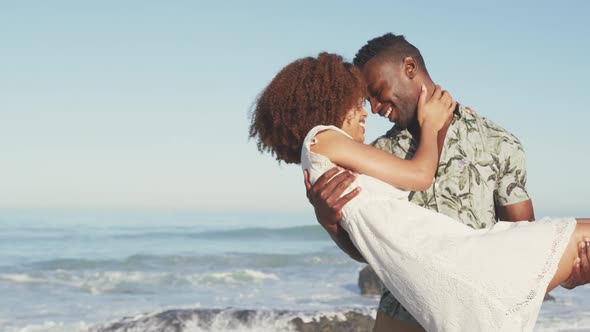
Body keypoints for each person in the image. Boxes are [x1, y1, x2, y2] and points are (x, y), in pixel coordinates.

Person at [249, 52, 589, 331]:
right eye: (361, 98)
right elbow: (374, 246)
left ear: (408, 68)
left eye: (375, 92)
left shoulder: (498, 143)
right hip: (401, 315)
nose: (372, 107)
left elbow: (524, 236)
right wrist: (329, 221)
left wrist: (572, 275)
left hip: (471, 283)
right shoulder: (370, 151)